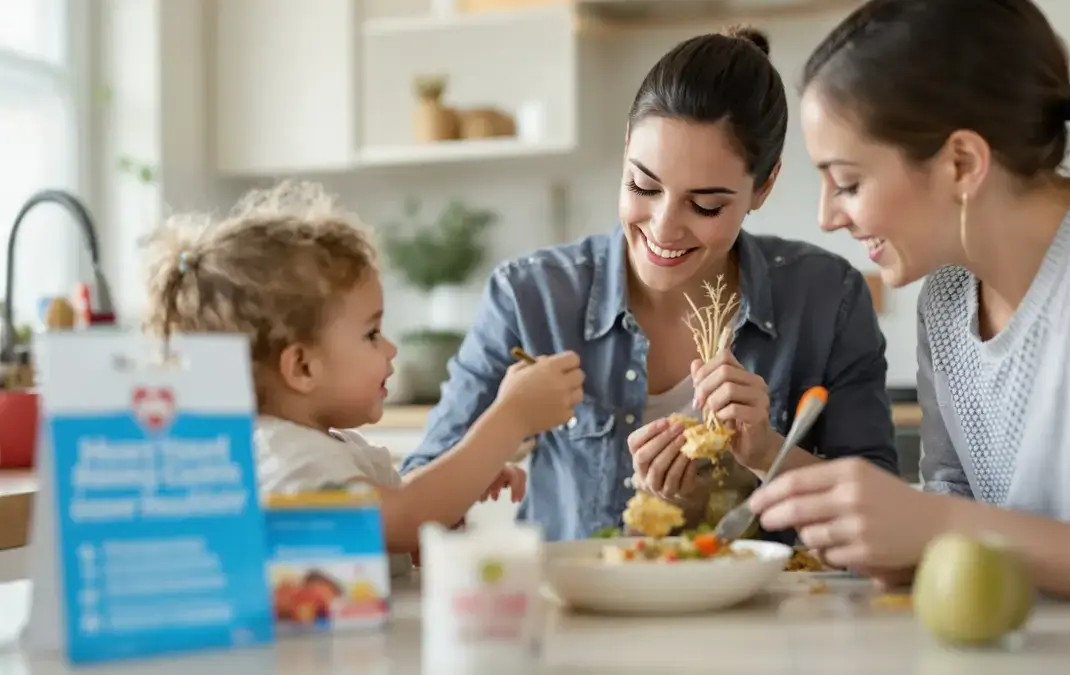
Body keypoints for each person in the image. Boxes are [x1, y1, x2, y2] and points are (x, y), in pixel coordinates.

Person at [748, 0, 1070, 597]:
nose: (827, 217)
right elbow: (955, 513)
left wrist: (939, 528)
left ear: (962, 162)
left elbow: (958, 525)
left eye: (849, 182)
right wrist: (893, 542)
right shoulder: (948, 296)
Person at [401, 25, 898, 542]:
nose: (663, 228)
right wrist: (502, 426)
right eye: (643, 185)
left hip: (773, 614)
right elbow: (411, 505)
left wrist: (766, 451)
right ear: (625, 148)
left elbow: (884, 514)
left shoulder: (827, 298)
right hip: (582, 613)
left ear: (763, 185)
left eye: (705, 205)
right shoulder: (532, 298)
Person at [141, 181, 585, 554]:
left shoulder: (323, 447)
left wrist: (463, 481)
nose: (390, 349)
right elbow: (406, 517)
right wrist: (509, 420)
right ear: (302, 367)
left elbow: (408, 514)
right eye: (371, 334)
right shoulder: (289, 460)